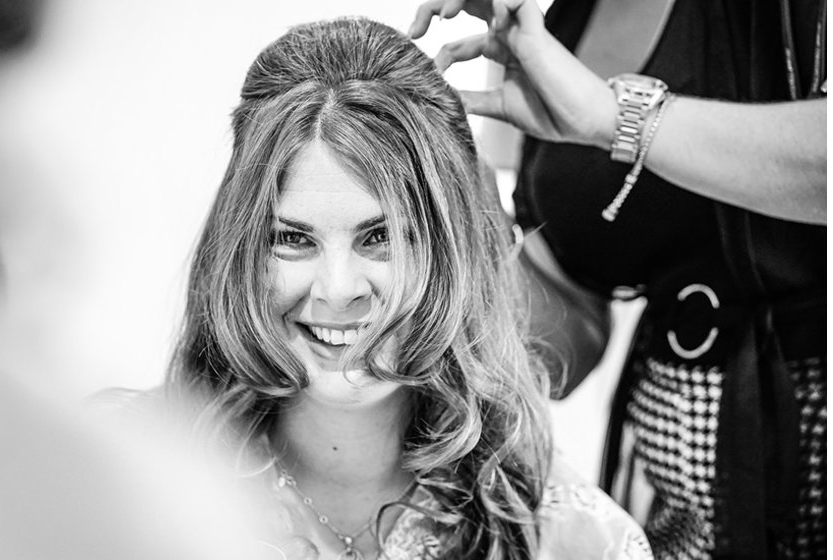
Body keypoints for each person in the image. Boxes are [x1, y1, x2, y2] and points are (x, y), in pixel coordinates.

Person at [123, 16, 657, 560]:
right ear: (243, 248)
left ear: (457, 248)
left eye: (380, 238)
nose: (337, 289)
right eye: (292, 238)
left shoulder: (576, 541)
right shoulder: (121, 484)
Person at [408, 0, 826, 558]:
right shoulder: (546, 27)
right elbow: (571, 327)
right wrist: (474, 228)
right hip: (674, 494)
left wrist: (616, 119)